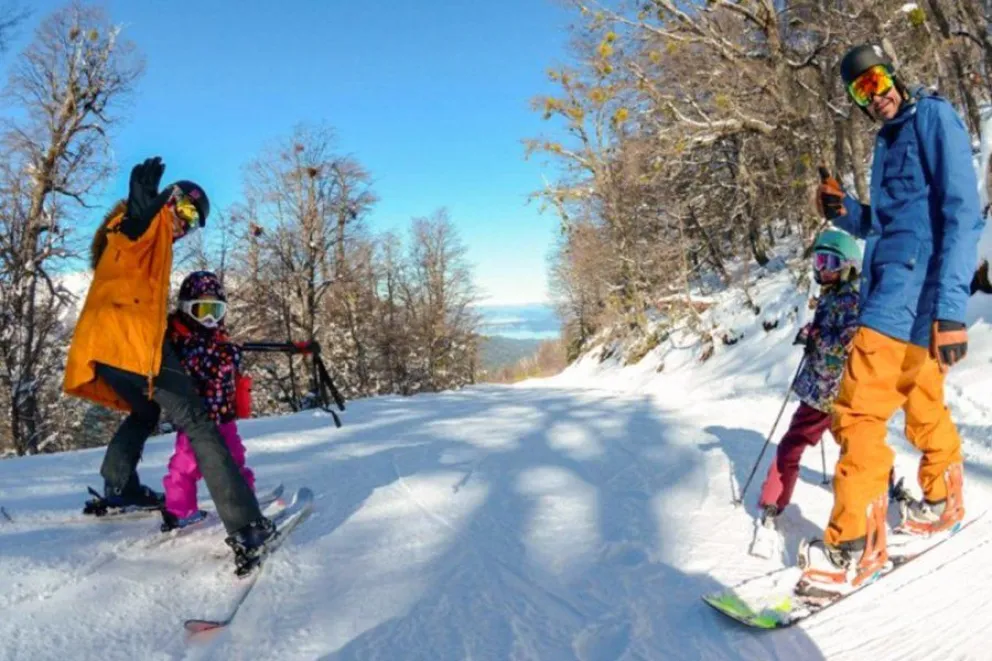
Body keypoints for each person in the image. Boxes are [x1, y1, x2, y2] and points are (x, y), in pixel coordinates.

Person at [803, 44, 985, 590]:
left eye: (877, 80)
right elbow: (889, 226)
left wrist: (951, 309)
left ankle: (852, 545)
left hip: (907, 298)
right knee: (923, 403)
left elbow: (963, 215)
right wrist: (846, 212)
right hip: (903, 294)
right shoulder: (888, 140)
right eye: (861, 90)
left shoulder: (932, 117)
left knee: (857, 414)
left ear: (895, 75)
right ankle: (943, 497)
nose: (874, 95)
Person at [63, 157, 274, 565]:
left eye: (194, 222)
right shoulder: (147, 227)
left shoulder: (153, 244)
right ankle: (247, 526)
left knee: (145, 411)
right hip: (132, 346)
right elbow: (125, 237)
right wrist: (135, 217)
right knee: (199, 421)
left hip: (105, 349)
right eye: (187, 211)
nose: (186, 224)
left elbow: (118, 252)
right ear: (171, 199)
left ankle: (119, 487)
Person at [757, 230, 861, 526]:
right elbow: (827, 335)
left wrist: (817, 338)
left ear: (849, 265)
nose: (823, 268)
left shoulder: (851, 301)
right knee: (852, 444)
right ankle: (774, 499)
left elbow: (848, 343)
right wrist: (811, 333)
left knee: (851, 447)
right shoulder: (831, 296)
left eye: (831, 262)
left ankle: (774, 500)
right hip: (822, 389)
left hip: (834, 393)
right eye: (819, 261)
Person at [160, 271, 257, 532]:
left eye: (215, 310)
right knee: (185, 466)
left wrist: (229, 351)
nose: (209, 319)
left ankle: (246, 502)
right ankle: (179, 510)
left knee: (235, 460)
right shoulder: (184, 342)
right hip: (197, 422)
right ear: (186, 309)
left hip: (224, 417)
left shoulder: (216, 339)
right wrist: (229, 354)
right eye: (202, 310)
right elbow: (205, 365)